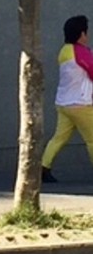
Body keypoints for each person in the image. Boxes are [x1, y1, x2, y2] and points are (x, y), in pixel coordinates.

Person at [40, 15, 93, 183]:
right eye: (87, 32)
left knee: (59, 137)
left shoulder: (64, 51)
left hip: (63, 103)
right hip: (81, 104)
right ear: (82, 34)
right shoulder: (80, 52)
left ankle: (43, 167)